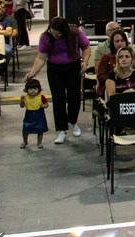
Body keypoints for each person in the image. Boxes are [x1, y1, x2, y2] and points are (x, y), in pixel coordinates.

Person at [25, 16, 91, 144]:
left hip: (73, 66)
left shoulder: (75, 32)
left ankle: (73, 122)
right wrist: (33, 73)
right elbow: (40, 58)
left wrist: (85, 62)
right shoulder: (46, 37)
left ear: (65, 31)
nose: (55, 36)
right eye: (52, 32)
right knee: (58, 98)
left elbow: (86, 48)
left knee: (74, 96)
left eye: (58, 34)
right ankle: (62, 130)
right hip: (54, 69)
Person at [20, 79, 49, 149]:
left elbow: (47, 104)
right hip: (29, 116)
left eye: (35, 88)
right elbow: (22, 106)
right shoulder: (26, 97)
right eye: (30, 89)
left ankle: (39, 142)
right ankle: (25, 141)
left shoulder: (41, 97)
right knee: (25, 130)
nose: (33, 90)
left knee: (40, 130)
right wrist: (22, 101)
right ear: (26, 90)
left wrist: (44, 106)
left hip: (39, 115)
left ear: (39, 89)